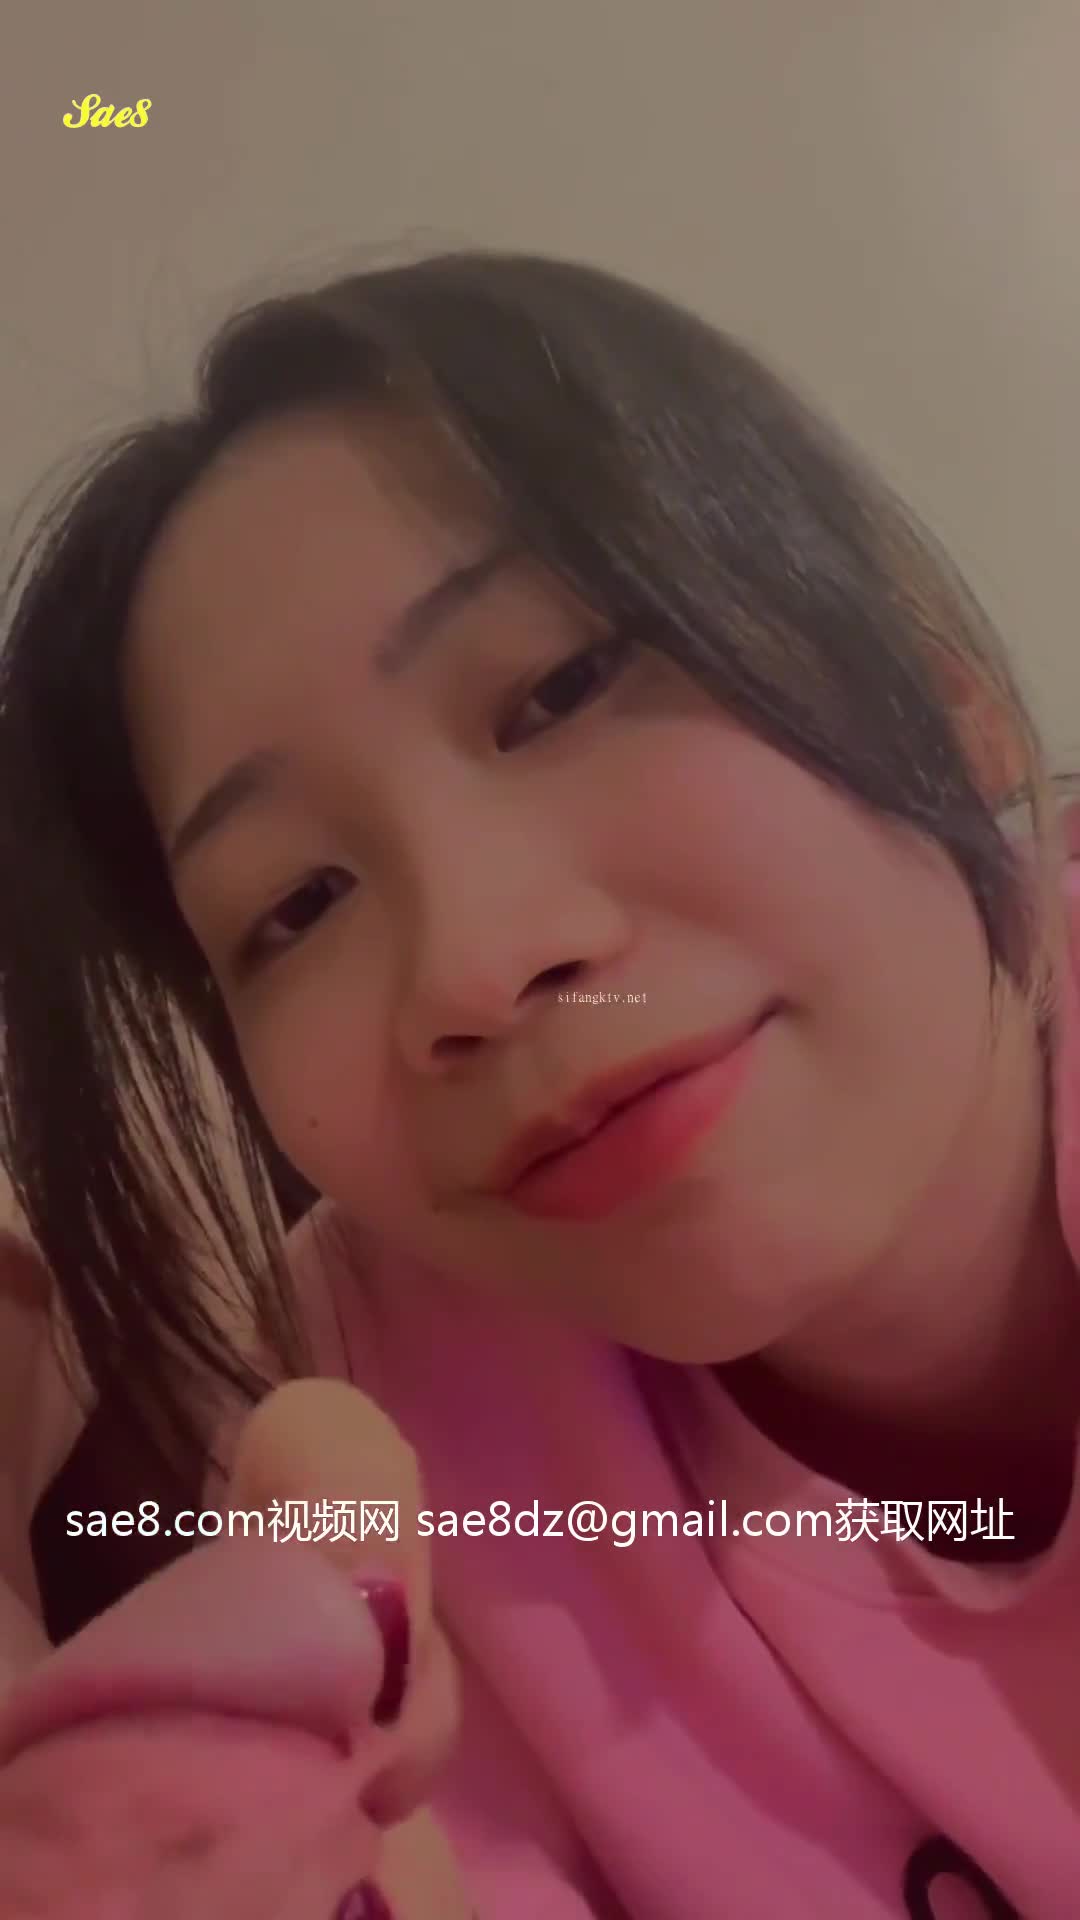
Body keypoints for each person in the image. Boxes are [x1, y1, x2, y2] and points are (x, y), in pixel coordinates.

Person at [0, 247, 1075, 1917]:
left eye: (561, 690)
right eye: (295, 906)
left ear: (945, 688)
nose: (470, 969)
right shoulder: (382, 1426)